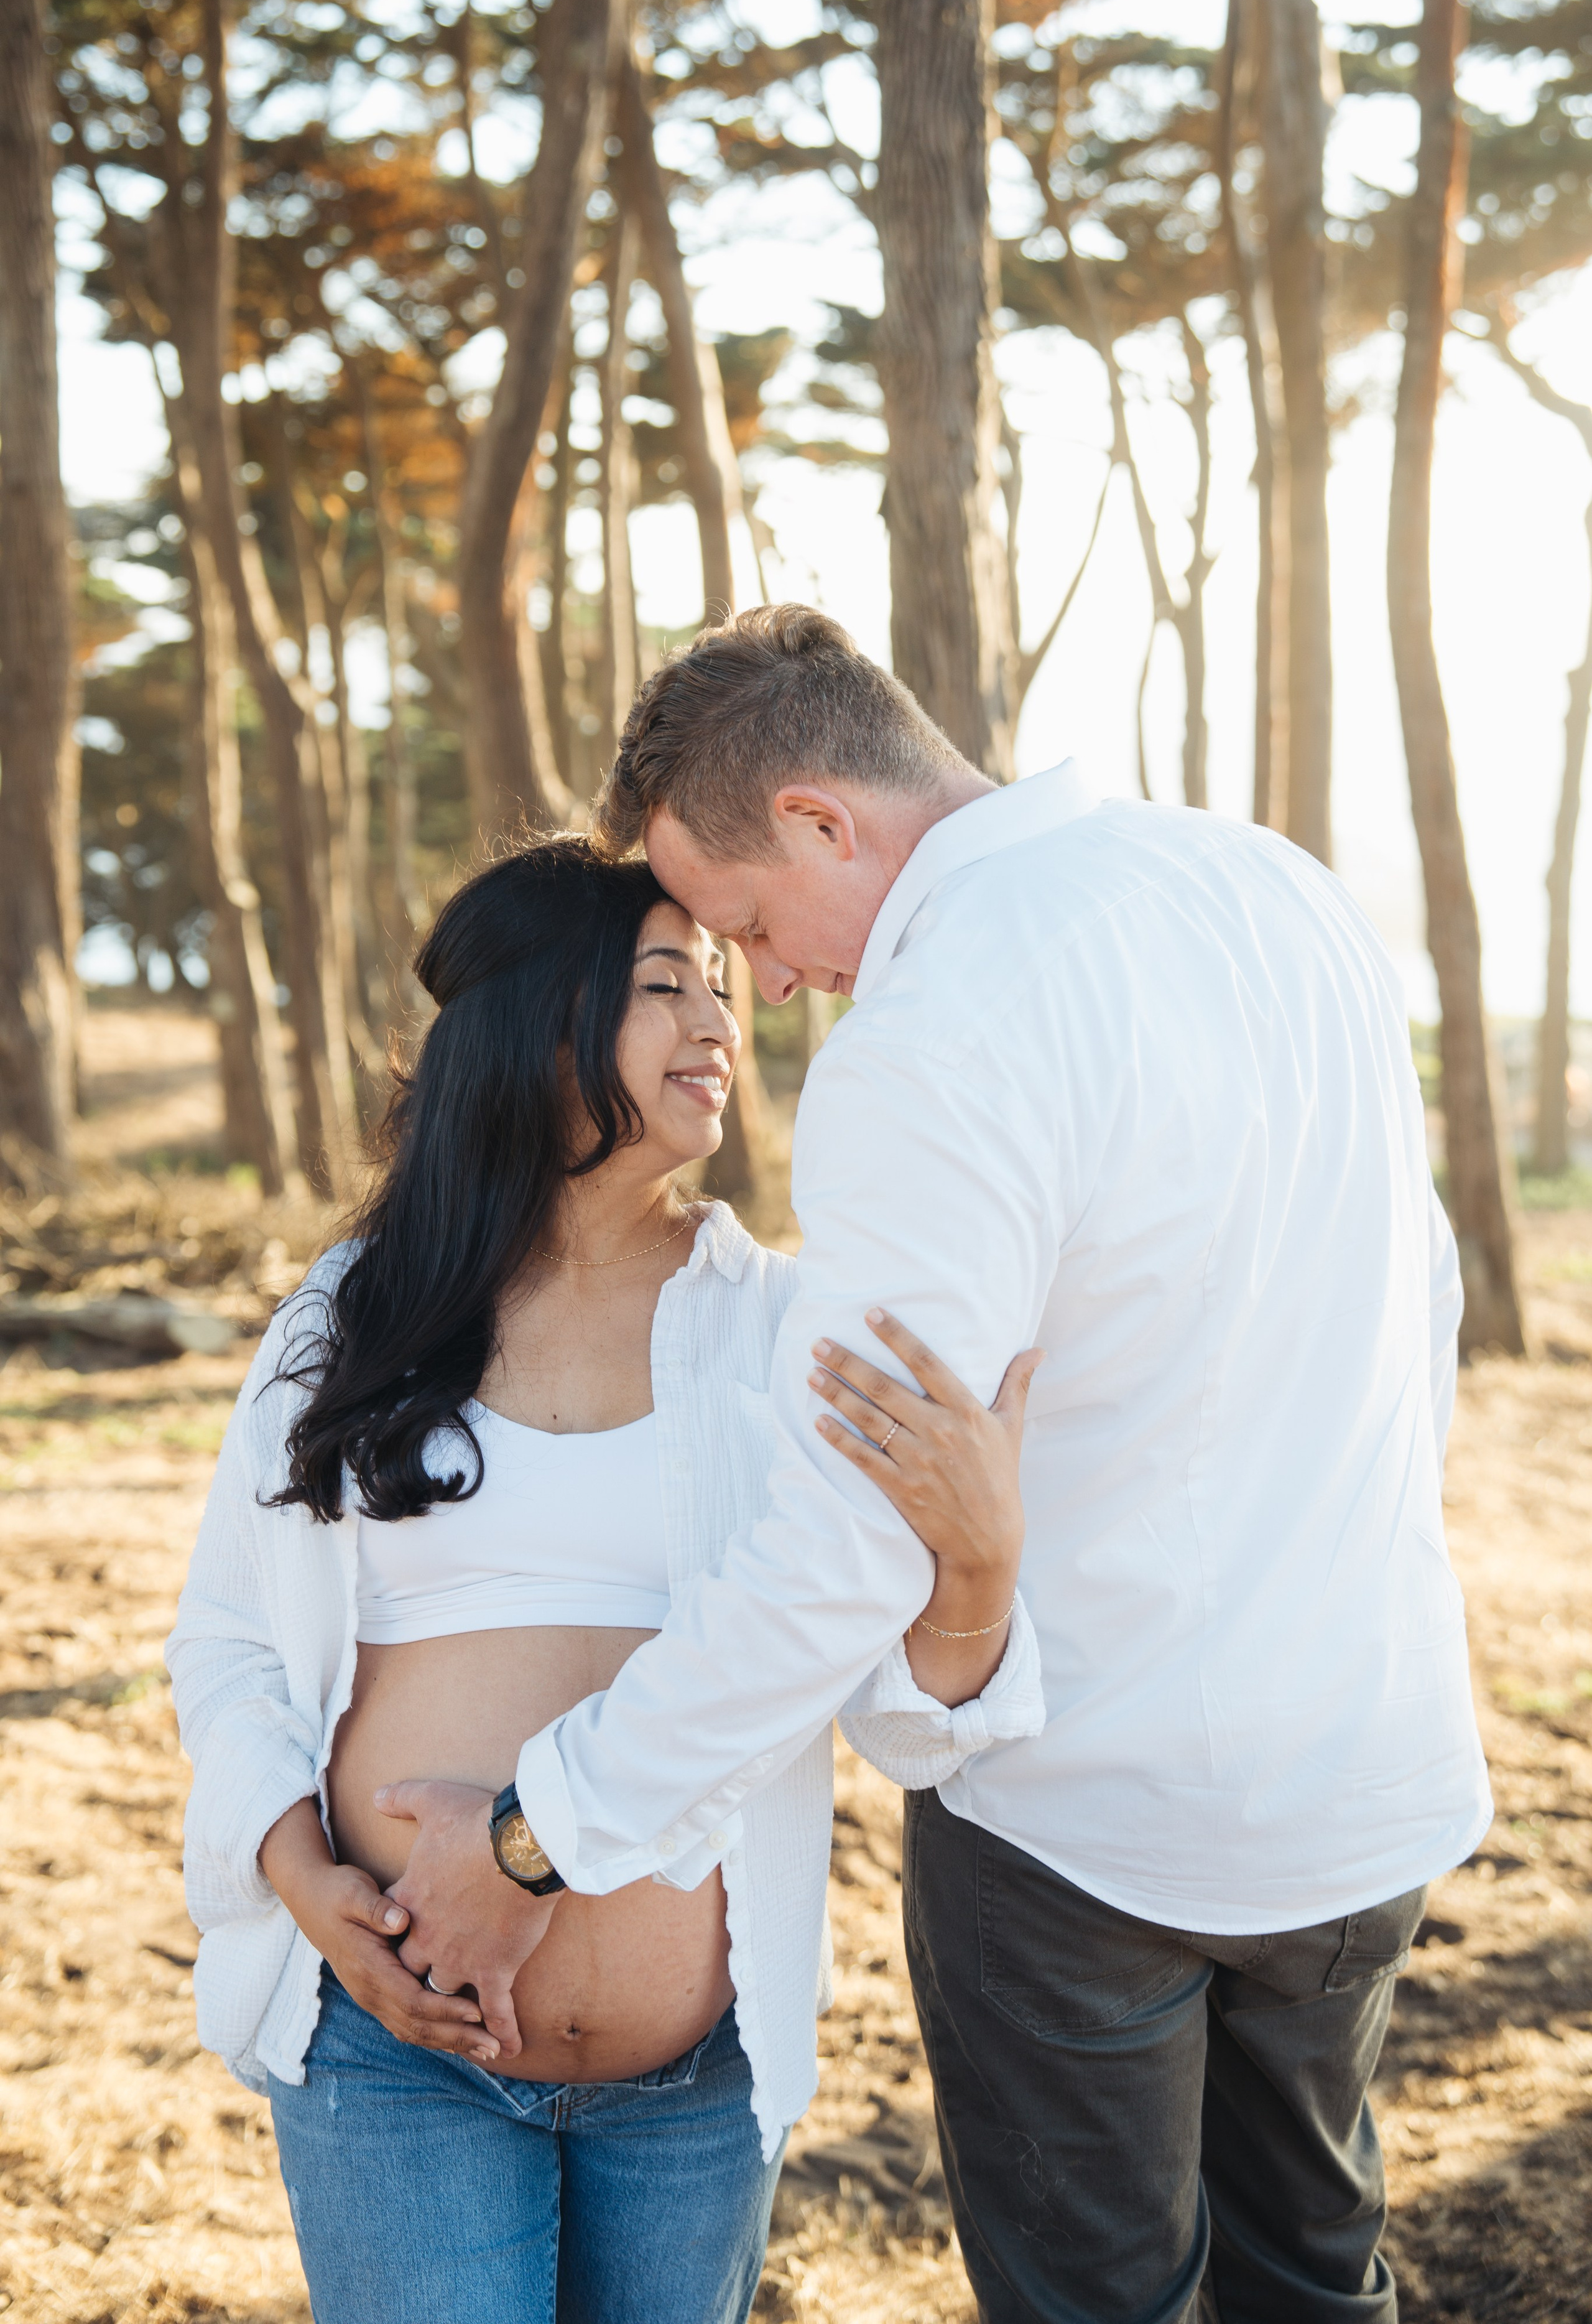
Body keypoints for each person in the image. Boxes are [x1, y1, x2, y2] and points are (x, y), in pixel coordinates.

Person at [386, 607, 1493, 2324]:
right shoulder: (1273, 887)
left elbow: (846, 1545)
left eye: (753, 924)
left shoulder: (931, 1037)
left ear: (820, 819)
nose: (774, 981)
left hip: (1088, 1830)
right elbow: (1419, 1301)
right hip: (1364, 1776)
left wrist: (542, 1835)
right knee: (1316, 2283)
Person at [165, 837, 1047, 2324]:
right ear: (536, 1021)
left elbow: (909, 1723)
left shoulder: (782, 1329)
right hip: (397, 2055)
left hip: (687, 2086)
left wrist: (978, 1562)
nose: (718, 1023)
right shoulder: (353, 1313)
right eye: (663, 987)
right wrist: (303, 1883)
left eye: (721, 986)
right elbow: (229, 1639)